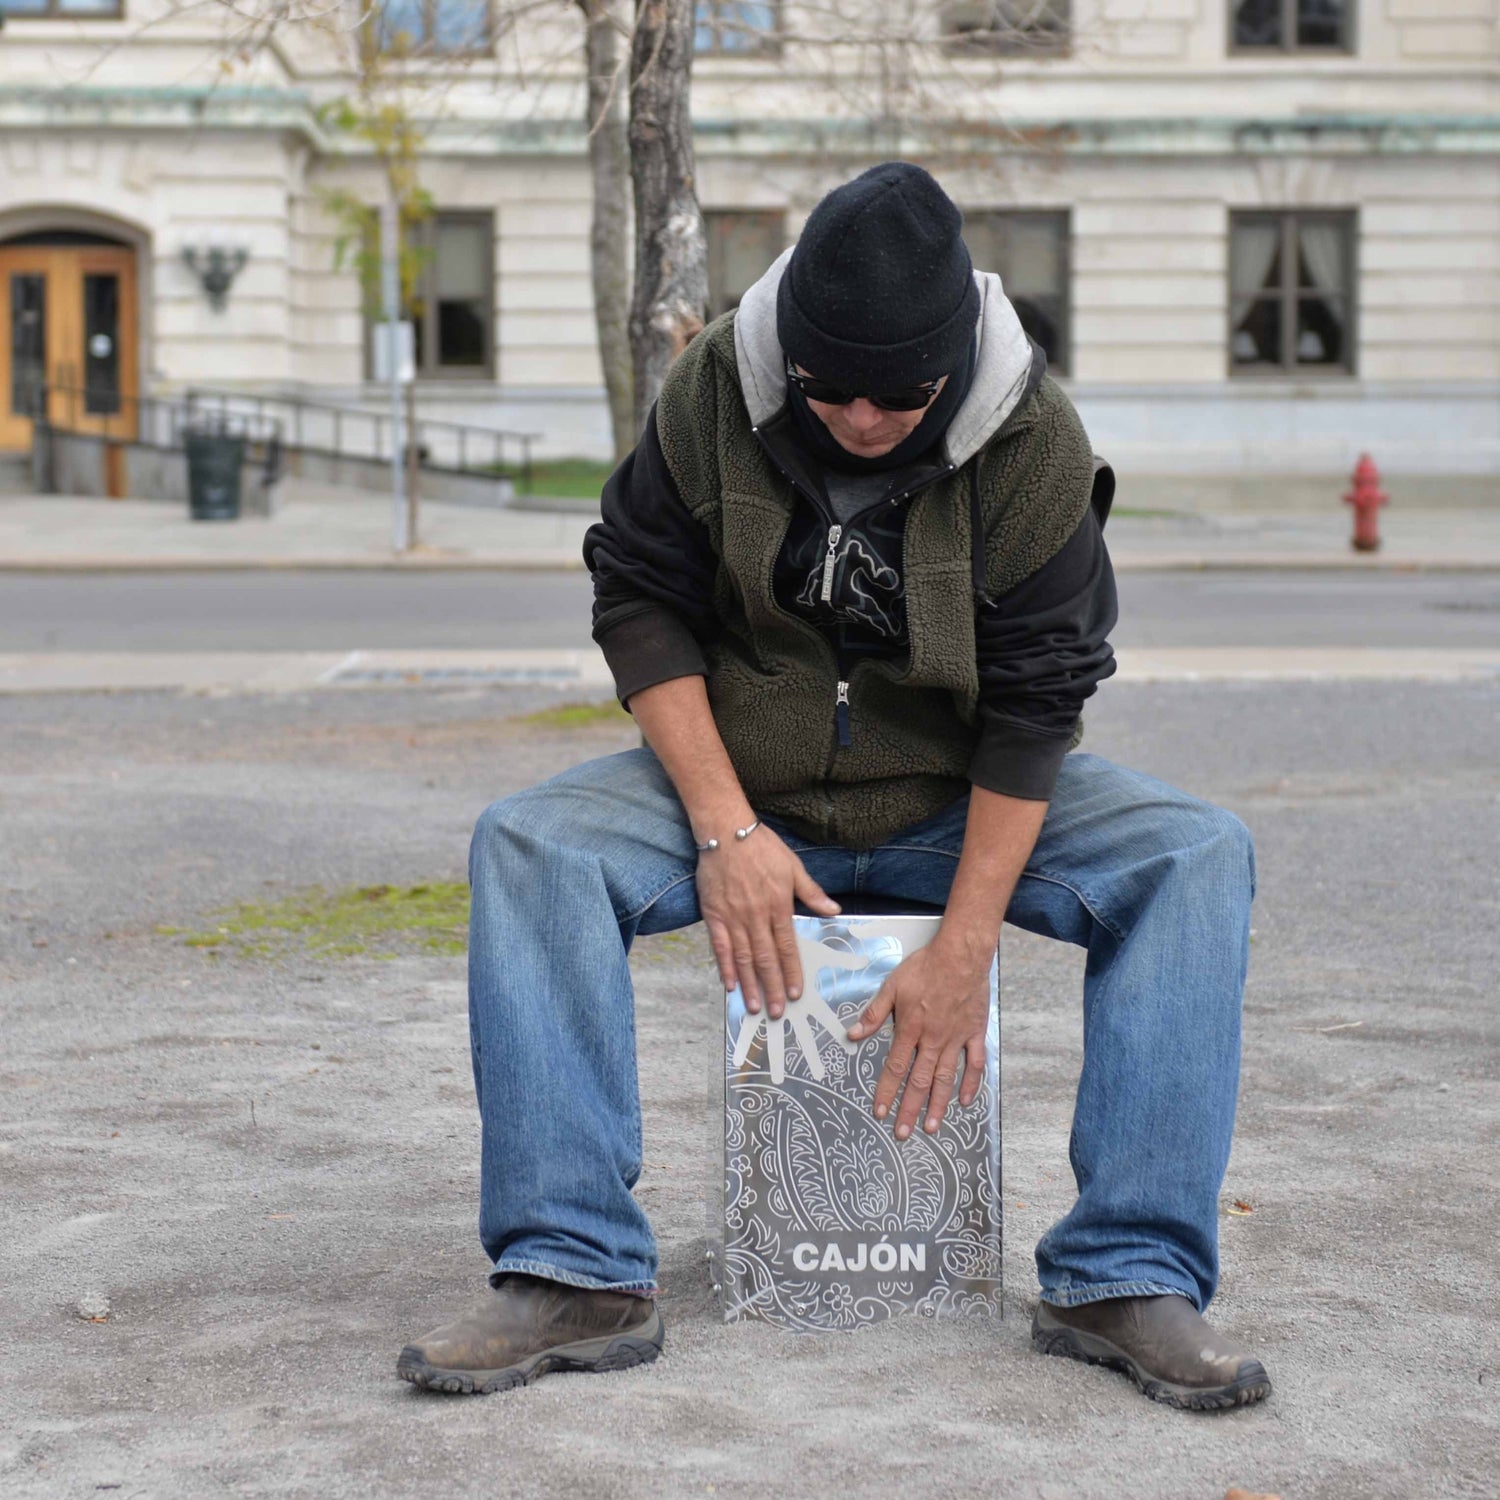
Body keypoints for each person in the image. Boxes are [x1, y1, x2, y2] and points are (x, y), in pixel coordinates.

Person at [397, 163, 1270, 1412]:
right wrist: (725, 825)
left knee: (1195, 854)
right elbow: (637, 594)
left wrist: (965, 945)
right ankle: (574, 1269)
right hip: (748, 787)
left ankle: (1124, 1275)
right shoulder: (715, 390)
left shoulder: (1033, 443)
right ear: (792, 350)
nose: (861, 419)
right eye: (831, 391)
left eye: (899, 397)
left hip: (954, 795)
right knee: (531, 846)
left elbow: (1038, 705)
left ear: (954, 365)